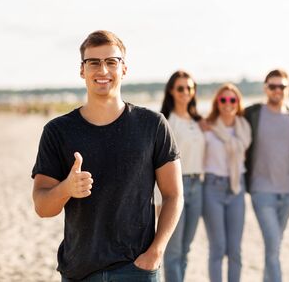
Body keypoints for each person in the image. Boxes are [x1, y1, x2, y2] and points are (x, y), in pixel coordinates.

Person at [31, 30, 184, 282]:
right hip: (79, 270)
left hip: (137, 270)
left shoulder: (153, 125)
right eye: (93, 62)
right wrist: (66, 188)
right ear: (82, 70)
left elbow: (173, 194)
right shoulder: (57, 131)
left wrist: (155, 253)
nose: (103, 70)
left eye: (111, 62)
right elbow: (42, 207)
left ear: (124, 69)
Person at [244, 68, 289, 282]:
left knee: (274, 247)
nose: (277, 90)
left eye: (282, 86)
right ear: (265, 88)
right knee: (272, 244)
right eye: (273, 86)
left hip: (288, 193)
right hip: (261, 192)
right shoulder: (252, 114)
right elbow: (226, 121)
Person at [202, 83, 251, 282]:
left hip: (237, 188)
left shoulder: (244, 126)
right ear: (217, 103)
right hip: (212, 188)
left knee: (235, 250)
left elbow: (244, 151)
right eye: (223, 99)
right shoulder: (207, 126)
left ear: (238, 102)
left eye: (232, 99)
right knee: (217, 247)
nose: (228, 103)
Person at [159, 70, 205, 282]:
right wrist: (160, 201)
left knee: (186, 249)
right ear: (171, 91)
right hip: (176, 188)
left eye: (189, 88)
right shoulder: (167, 122)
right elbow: (157, 164)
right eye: (180, 88)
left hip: (198, 186)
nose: (185, 92)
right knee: (173, 251)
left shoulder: (198, 121)